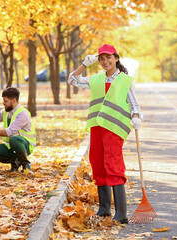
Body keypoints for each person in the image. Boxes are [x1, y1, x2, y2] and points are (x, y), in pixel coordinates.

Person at [67, 44, 142, 224]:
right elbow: (72, 80)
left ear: (116, 58)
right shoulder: (96, 79)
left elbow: (134, 105)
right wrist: (84, 64)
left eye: (108, 57)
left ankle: (122, 213)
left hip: (114, 129)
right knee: (97, 161)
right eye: (101, 58)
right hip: (97, 127)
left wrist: (136, 116)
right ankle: (105, 208)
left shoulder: (125, 80)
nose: (105, 61)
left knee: (113, 162)